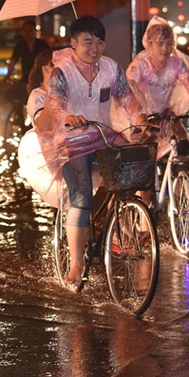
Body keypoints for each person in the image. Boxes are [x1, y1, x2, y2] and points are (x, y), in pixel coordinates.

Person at [44, 15, 147, 289]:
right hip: (71, 142)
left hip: (103, 136)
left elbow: (128, 100)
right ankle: (76, 263)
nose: (95, 47)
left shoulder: (112, 68)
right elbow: (53, 104)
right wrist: (68, 116)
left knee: (129, 173)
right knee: (81, 196)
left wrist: (142, 121)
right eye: (88, 41)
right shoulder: (61, 72)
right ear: (73, 42)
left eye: (99, 42)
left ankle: (119, 228)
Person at [126, 16, 189, 160]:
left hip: (165, 114)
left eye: (169, 44)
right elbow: (129, 89)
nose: (165, 49)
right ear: (149, 43)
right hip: (141, 116)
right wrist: (140, 118)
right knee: (143, 159)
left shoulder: (176, 63)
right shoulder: (141, 64)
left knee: (182, 143)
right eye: (160, 44)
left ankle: (178, 177)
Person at [26, 49, 54, 133]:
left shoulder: (69, 91)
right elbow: (44, 127)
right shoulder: (37, 96)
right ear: (46, 70)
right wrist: (51, 92)